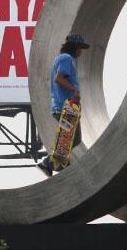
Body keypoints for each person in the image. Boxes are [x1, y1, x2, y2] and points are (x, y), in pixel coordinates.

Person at [38, 33, 90, 177]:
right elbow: (59, 79)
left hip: (65, 108)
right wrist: (74, 89)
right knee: (70, 140)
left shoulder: (61, 59)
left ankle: (57, 165)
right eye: (80, 48)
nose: (81, 51)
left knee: (72, 139)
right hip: (65, 108)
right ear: (74, 47)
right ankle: (48, 163)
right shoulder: (67, 58)